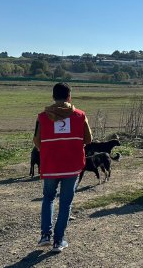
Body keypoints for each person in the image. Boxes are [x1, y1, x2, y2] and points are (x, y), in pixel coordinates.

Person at [33, 82, 92, 253]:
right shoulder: (80, 115)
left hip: (50, 165)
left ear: (53, 97)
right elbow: (88, 139)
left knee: (48, 198)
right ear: (69, 96)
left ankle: (45, 235)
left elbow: (37, 141)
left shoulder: (42, 117)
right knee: (66, 203)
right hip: (72, 166)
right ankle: (58, 241)